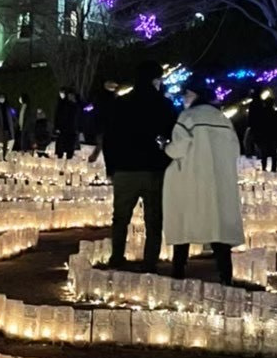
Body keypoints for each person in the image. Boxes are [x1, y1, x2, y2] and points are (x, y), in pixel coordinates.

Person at [162, 77, 243, 283]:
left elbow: (178, 148)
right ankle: (225, 276)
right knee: (218, 230)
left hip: (191, 179)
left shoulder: (188, 117)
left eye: (187, 94)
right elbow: (235, 149)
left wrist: (165, 147)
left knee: (184, 226)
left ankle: (178, 272)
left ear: (196, 95)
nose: (184, 98)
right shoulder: (223, 119)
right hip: (219, 182)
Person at [102, 60, 178, 270]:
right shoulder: (164, 104)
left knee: (120, 217)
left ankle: (117, 257)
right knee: (154, 219)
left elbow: (109, 137)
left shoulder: (121, 103)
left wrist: (111, 167)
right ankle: (150, 261)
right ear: (155, 80)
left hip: (125, 169)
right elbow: (174, 136)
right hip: (155, 169)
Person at [87, 80, 119, 164]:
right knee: (103, 142)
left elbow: (94, 107)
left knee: (101, 142)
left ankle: (95, 157)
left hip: (101, 124)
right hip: (106, 124)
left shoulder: (100, 97)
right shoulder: (112, 99)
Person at [54, 87, 80, 159]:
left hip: (71, 130)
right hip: (64, 129)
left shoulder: (76, 105)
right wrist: (57, 127)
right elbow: (58, 116)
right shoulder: (63, 104)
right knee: (61, 149)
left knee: (69, 150)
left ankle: (67, 160)